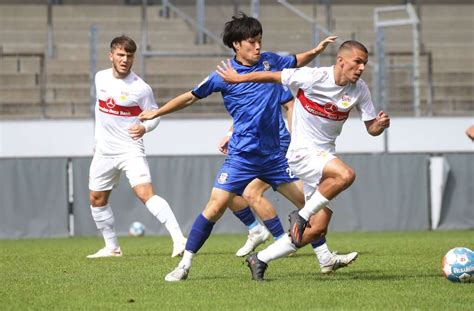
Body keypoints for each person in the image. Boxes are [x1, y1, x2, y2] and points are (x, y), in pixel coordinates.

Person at [139, 13, 350, 282]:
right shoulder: (224, 75)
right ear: (237, 44)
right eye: (252, 42)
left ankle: (324, 258)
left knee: (312, 208)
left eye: (260, 40)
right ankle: (184, 265)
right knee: (215, 207)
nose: (258, 46)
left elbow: (296, 61)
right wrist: (157, 113)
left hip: (276, 156)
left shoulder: (270, 62)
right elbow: (190, 97)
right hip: (242, 157)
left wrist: (316, 50)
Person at [217, 40, 391, 280]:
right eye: (357, 62)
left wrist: (379, 126)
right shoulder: (313, 77)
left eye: (365, 63)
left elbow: (371, 128)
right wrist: (238, 79)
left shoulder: (359, 89)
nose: (361, 68)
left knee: (316, 229)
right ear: (341, 60)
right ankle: (302, 214)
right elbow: (272, 76)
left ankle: (261, 259)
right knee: (345, 175)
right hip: (302, 153)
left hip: (323, 155)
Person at [223, 90, 357, 274]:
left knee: (303, 204)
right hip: (260, 151)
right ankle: (318, 255)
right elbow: (244, 115)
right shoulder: (249, 83)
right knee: (304, 204)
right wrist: (230, 134)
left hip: (278, 150)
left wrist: (296, 138)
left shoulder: (268, 80)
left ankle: (280, 241)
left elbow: (290, 104)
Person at [87, 35, 187, 259]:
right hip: (104, 151)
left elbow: (155, 116)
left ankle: (179, 240)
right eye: (121, 55)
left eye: (129, 56)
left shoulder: (141, 88)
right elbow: (99, 111)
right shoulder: (100, 78)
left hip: (130, 149)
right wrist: (96, 141)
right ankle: (112, 248)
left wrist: (145, 128)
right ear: (111, 55)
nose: (125, 60)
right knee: (96, 199)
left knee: (145, 193)